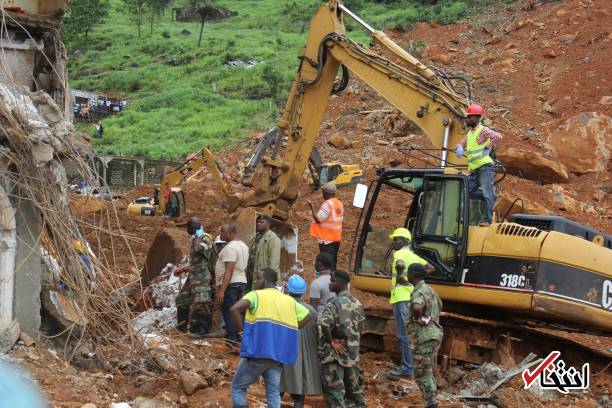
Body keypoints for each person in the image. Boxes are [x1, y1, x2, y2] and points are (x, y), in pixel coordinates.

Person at [230, 268, 311, 408]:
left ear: (266, 280)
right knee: (273, 392)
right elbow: (308, 315)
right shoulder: (288, 300)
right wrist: (291, 329)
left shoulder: (255, 295)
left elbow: (234, 309)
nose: (255, 282)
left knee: (238, 387)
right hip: (278, 355)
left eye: (258, 278)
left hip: (257, 352)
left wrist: (242, 334)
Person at [387, 227, 434, 379]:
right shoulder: (414, 256)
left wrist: (403, 277)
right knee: (411, 334)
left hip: (401, 298)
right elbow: (431, 267)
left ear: (405, 241)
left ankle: (407, 368)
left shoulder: (398, 254)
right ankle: (413, 367)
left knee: (404, 335)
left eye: (397, 239)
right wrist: (412, 280)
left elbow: (399, 265)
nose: (394, 243)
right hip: (411, 297)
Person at [319, 270, 366, 407]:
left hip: (334, 355)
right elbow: (361, 327)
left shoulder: (334, 303)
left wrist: (331, 341)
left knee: (334, 392)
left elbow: (324, 323)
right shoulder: (358, 303)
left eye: (332, 281)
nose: (330, 283)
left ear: (341, 283)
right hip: (351, 355)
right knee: (354, 391)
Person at [456, 103, 503, 224]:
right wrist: (460, 146)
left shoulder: (483, 131)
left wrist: (488, 145)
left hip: (484, 167)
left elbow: (498, 136)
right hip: (474, 169)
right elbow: (463, 142)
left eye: (470, 117)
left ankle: (488, 220)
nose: (468, 119)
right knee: (468, 191)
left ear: (477, 118)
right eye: (468, 117)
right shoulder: (471, 133)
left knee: (487, 193)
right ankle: (493, 198)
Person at [281, 275, 322, 408]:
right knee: (299, 393)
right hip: (304, 356)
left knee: (277, 388)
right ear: (304, 291)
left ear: (287, 289)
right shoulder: (311, 311)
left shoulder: (282, 307)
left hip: (284, 354)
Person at [407, 263, 444, 408]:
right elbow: (440, 306)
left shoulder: (419, 292)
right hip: (433, 335)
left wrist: (417, 318)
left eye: (408, 272)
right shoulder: (431, 290)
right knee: (429, 371)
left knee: (423, 373)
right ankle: (431, 402)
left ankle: (431, 404)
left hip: (423, 337)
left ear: (413, 275)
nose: (407, 275)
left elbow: (417, 307)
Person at [174, 217, 215, 337]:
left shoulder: (205, 238)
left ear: (193, 228)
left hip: (202, 278)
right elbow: (197, 262)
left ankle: (202, 331)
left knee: (202, 302)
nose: (187, 230)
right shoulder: (196, 238)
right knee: (181, 299)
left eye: (188, 228)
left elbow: (198, 249)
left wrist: (199, 233)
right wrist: (183, 269)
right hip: (193, 276)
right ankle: (182, 327)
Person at [215, 223, 249, 342]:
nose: (221, 234)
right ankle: (239, 339)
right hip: (241, 281)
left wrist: (222, 291)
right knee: (237, 312)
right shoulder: (243, 246)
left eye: (222, 232)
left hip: (231, 284)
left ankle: (232, 341)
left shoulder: (230, 248)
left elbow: (229, 270)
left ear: (229, 233)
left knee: (229, 312)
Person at [308, 181, 343, 271]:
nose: (322, 194)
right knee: (333, 262)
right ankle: (333, 278)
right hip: (335, 239)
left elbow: (318, 219)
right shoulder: (339, 203)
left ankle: (327, 281)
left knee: (326, 264)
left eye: (323, 192)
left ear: (326, 192)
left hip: (326, 240)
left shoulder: (327, 204)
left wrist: (312, 208)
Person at [247, 214, 281, 289]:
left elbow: (274, 263)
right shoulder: (255, 237)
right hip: (252, 275)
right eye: (258, 222)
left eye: (262, 222)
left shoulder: (273, 239)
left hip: (263, 278)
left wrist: (269, 282)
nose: (258, 224)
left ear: (268, 224)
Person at [308, 252, 336, 317]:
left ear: (319, 263)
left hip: (321, 319)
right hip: (335, 317)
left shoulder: (316, 283)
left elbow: (313, 308)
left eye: (315, 261)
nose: (314, 263)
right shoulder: (338, 280)